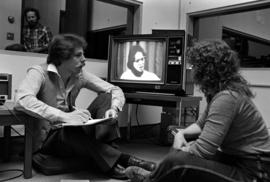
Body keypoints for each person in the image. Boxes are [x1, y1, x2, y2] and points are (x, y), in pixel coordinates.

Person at [14, 34, 156, 179]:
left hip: (73, 130)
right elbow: (22, 99)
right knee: (69, 131)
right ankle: (123, 161)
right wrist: (65, 116)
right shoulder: (38, 72)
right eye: (78, 55)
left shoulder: (79, 75)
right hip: (50, 138)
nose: (84, 59)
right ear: (62, 57)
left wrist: (113, 109)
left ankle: (108, 158)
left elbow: (114, 90)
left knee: (107, 97)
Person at [126, 40, 270, 182]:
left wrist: (177, 153)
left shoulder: (227, 97)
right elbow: (200, 125)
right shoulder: (221, 92)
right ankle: (160, 170)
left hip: (255, 172)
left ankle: (152, 177)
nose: (191, 69)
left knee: (179, 159)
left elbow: (203, 151)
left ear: (206, 69)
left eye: (194, 65)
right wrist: (181, 134)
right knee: (182, 153)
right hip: (237, 160)